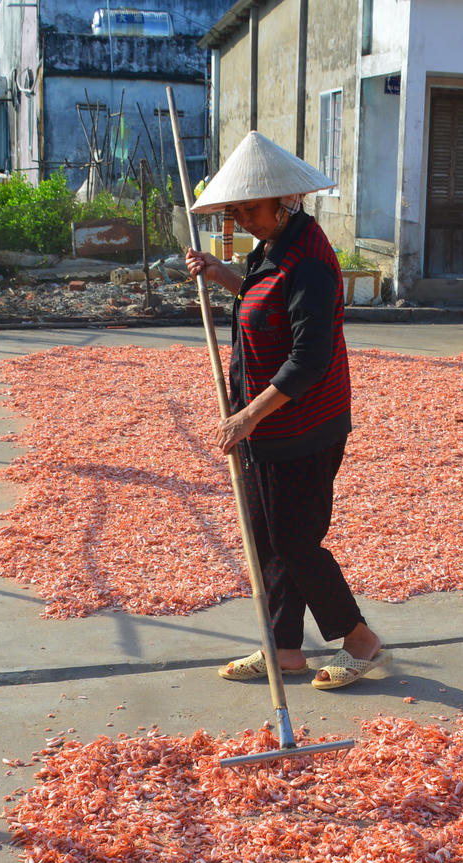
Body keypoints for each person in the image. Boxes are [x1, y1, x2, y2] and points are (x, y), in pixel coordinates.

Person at [185, 130, 388, 690]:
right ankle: (285, 647)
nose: (244, 218)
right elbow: (257, 297)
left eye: (251, 208)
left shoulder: (311, 261)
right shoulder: (273, 246)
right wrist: (216, 271)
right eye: (238, 209)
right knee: (266, 533)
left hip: (302, 425)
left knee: (296, 539)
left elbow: (309, 359)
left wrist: (249, 415)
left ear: (285, 200)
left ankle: (361, 641)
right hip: (263, 424)